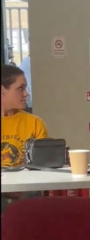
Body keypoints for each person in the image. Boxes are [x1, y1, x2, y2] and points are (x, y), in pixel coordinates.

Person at [1, 64, 48, 212]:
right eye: (20, 88)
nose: (26, 94)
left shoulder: (35, 123)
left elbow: (44, 168)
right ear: (2, 90)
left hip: (26, 193)